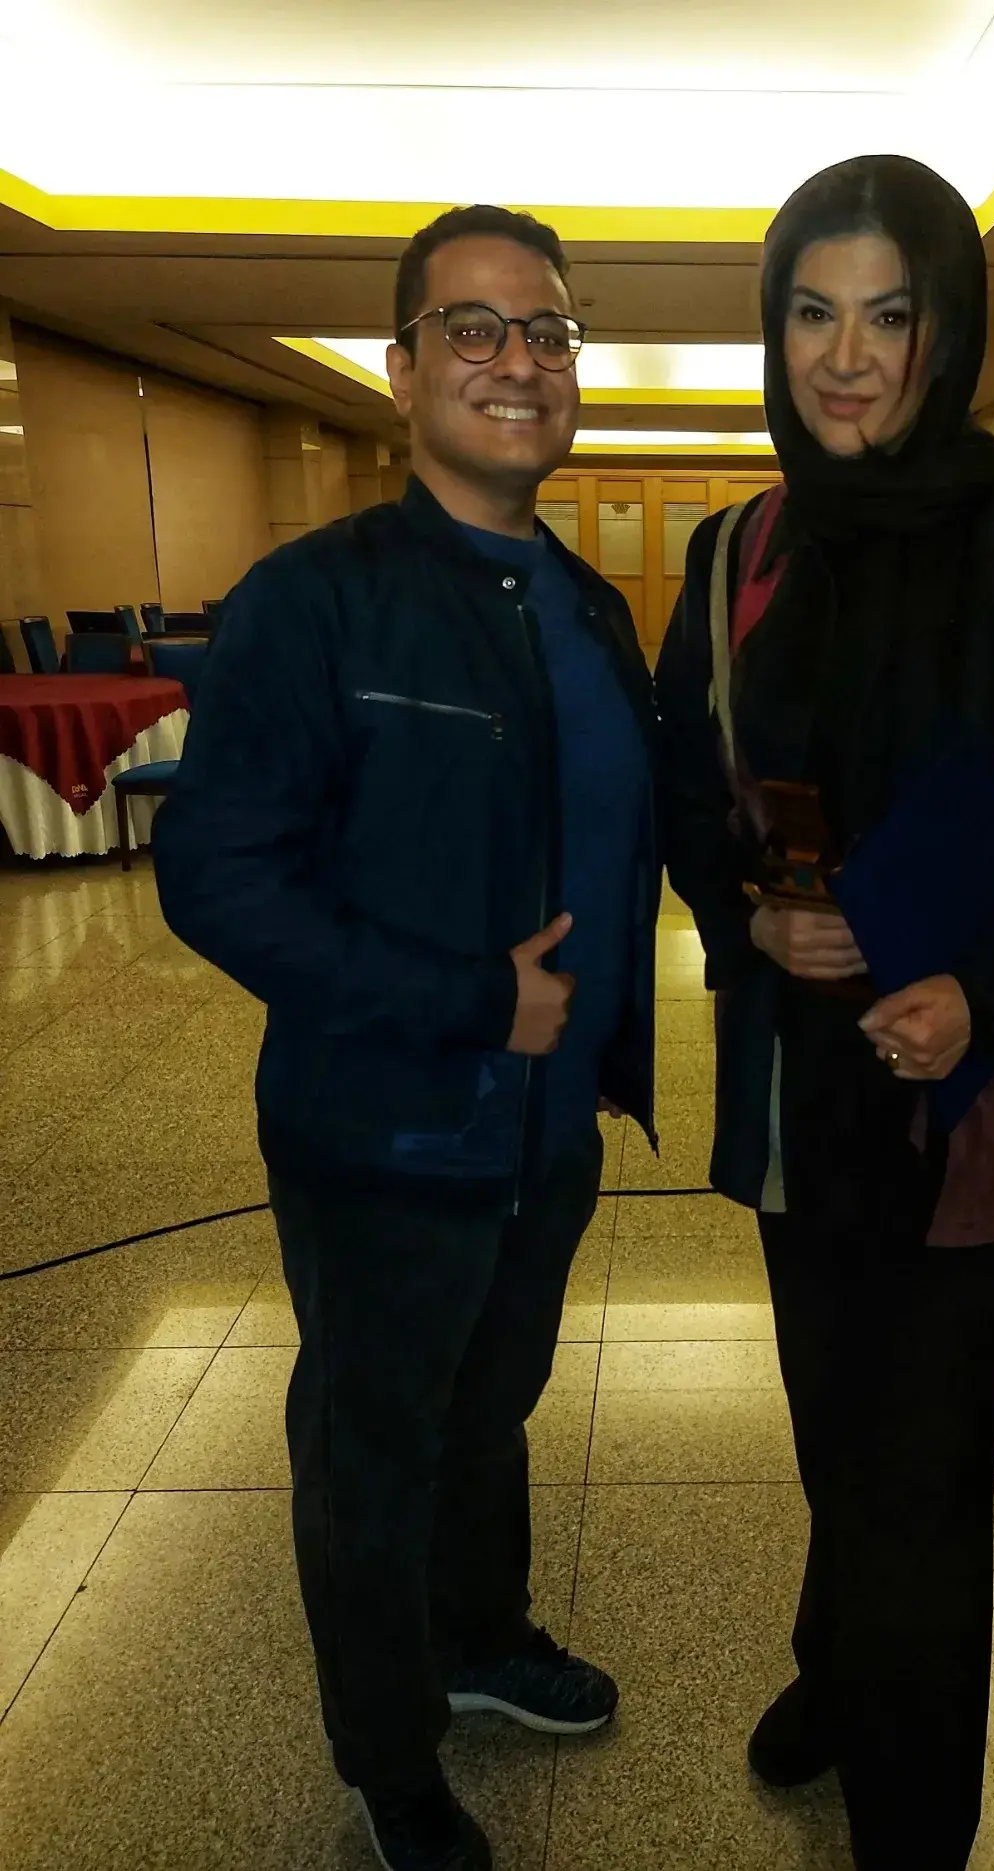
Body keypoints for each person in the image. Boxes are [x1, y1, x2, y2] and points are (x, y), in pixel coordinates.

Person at [655, 155, 994, 1869]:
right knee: (832, 1423)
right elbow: (690, 795)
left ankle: (913, 1825)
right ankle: (836, 1663)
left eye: (888, 314)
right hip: (799, 1085)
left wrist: (990, 995)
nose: (847, 355)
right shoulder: (737, 551)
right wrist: (749, 910)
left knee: (928, 1481)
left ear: (944, 329)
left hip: (961, 1099)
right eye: (813, 313)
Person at [154, 204, 659, 1871]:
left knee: (491, 1408)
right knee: (371, 1452)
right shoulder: (314, 603)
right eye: (475, 328)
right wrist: (468, 997)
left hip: (550, 1131)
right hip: (381, 1134)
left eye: (549, 330)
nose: (520, 360)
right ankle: (389, 1757)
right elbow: (217, 877)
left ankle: (480, 1637)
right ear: (402, 367)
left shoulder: (590, 610)